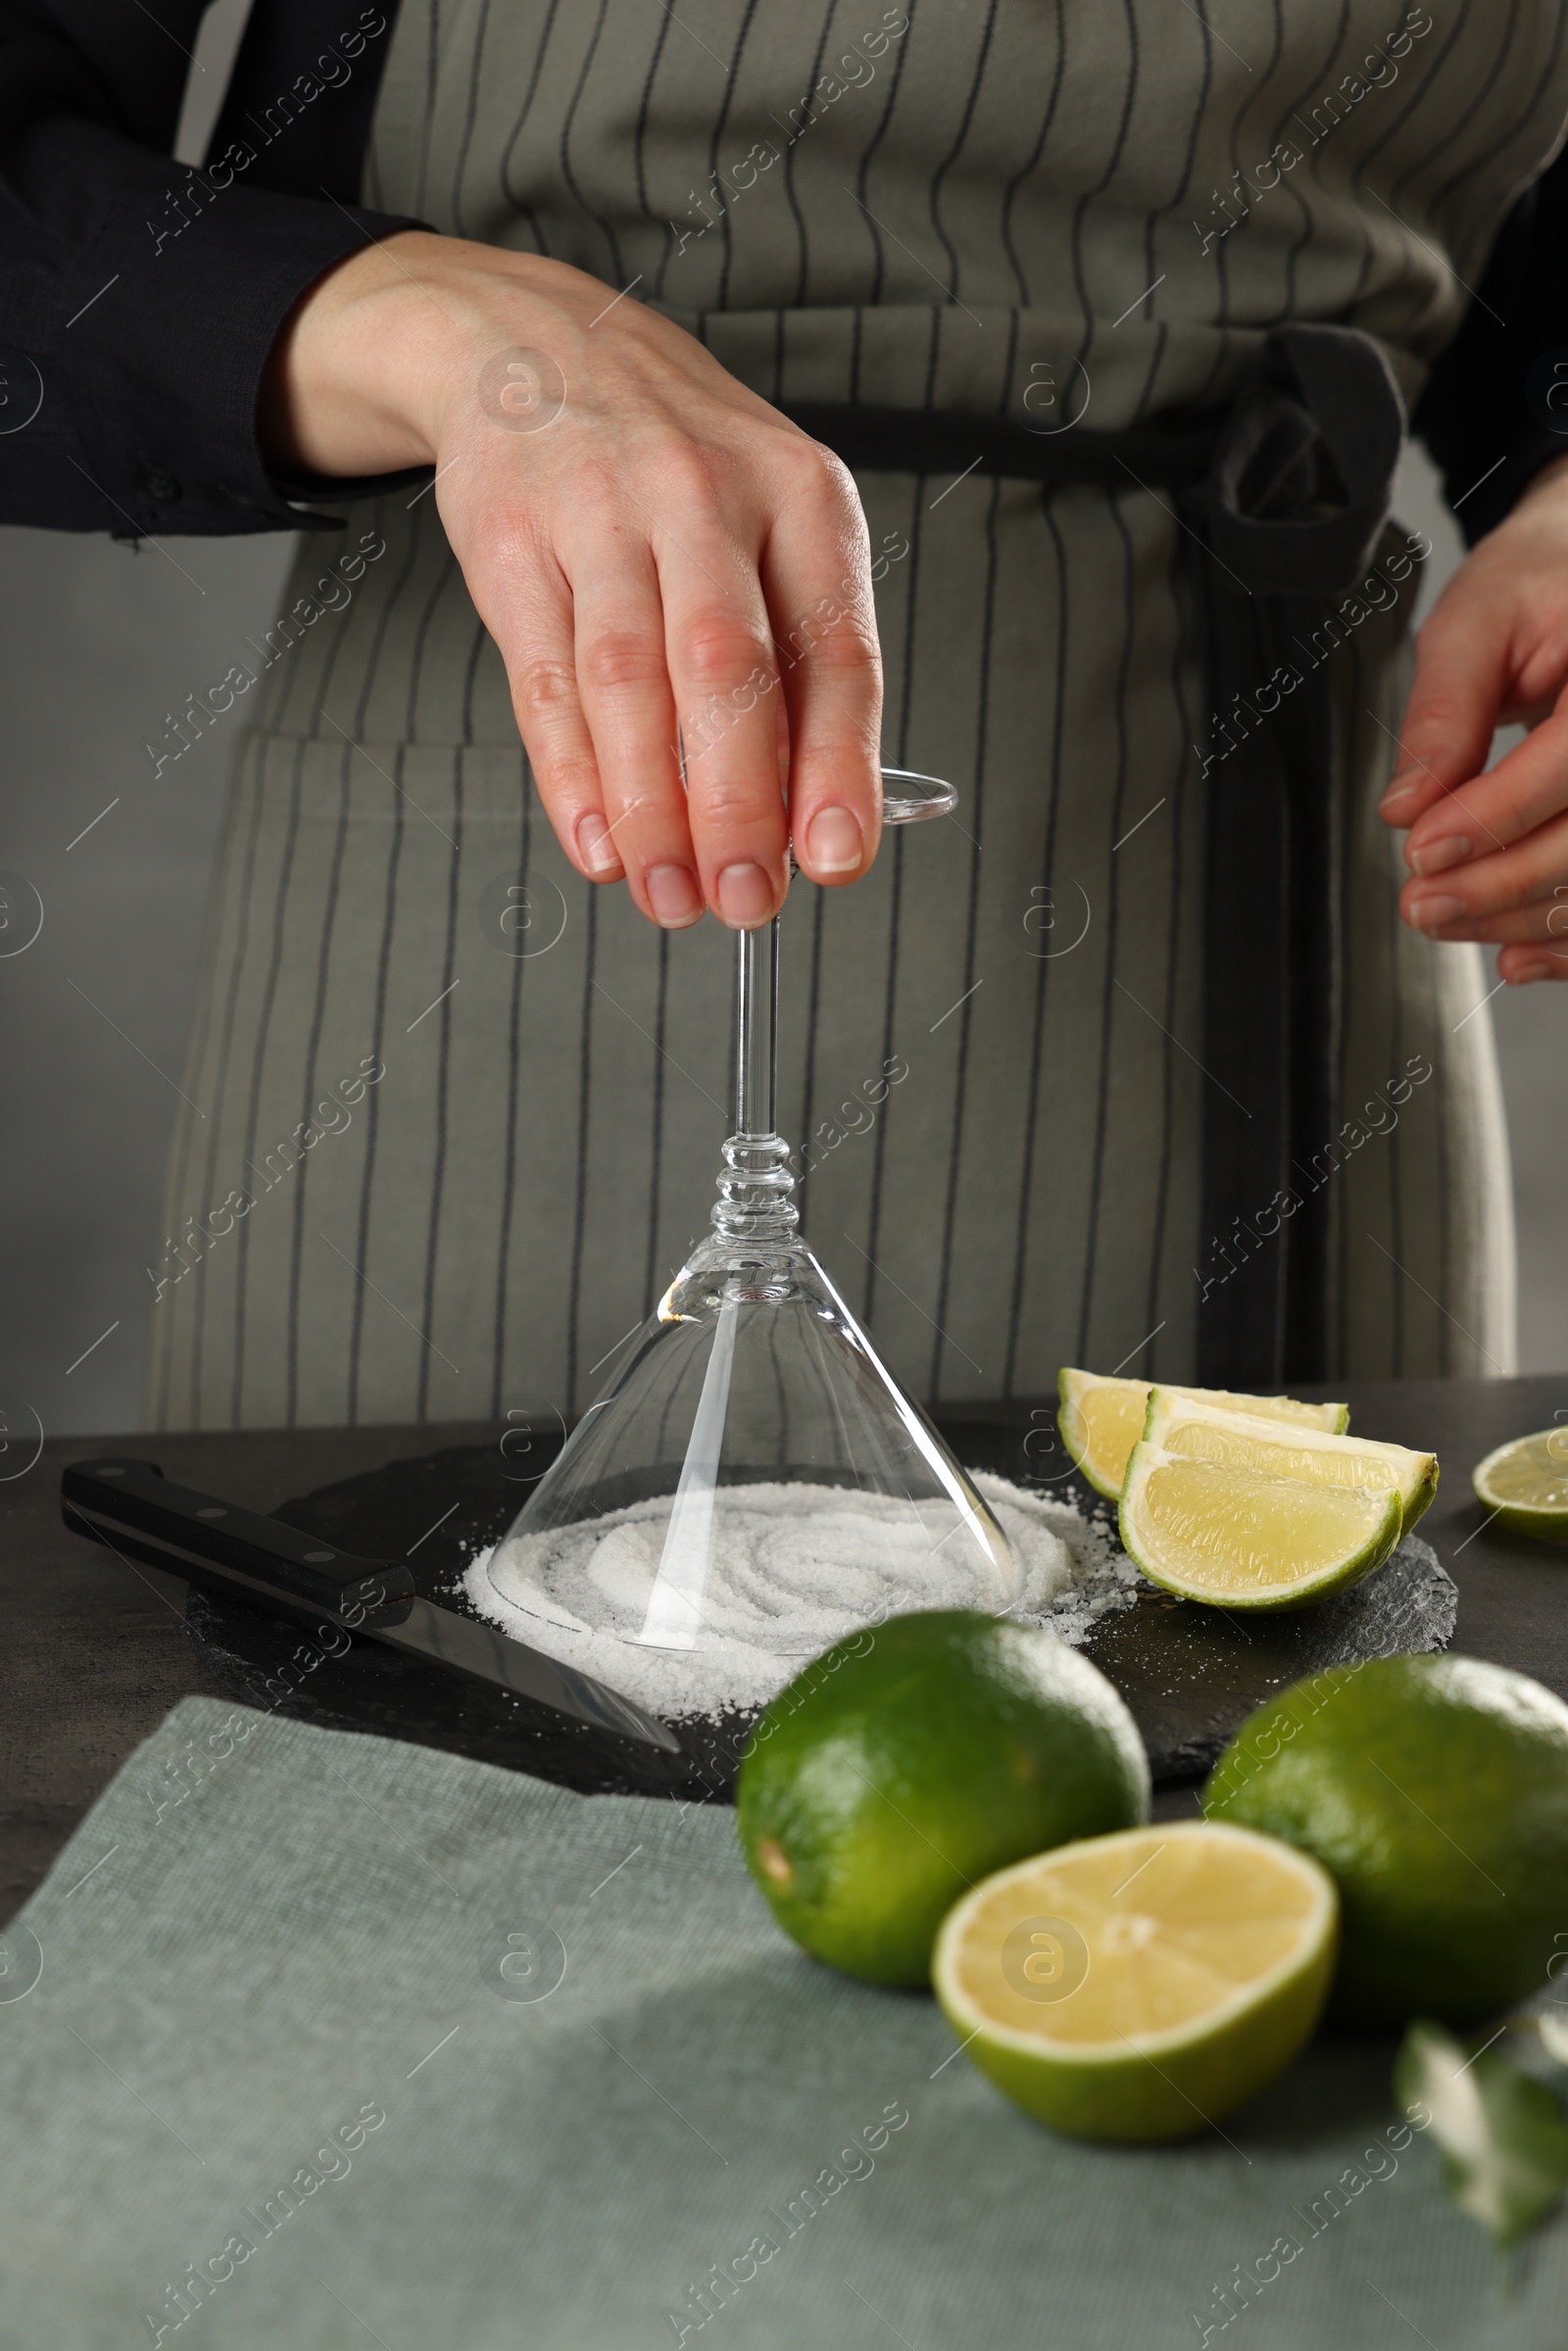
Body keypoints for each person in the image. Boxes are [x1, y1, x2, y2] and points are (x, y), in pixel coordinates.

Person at [4, 0, 1564, 1434]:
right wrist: (446, 328)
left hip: (1306, 898)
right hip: (526, 938)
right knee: (465, 1677)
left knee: (1346, 1693)